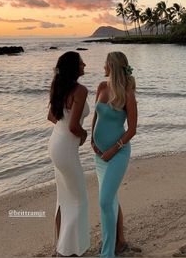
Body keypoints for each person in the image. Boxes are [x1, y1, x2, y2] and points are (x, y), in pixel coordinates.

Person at [91, 51, 138, 258]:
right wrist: (93, 140)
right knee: (109, 200)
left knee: (104, 201)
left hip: (117, 155)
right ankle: (117, 243)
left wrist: (113, 149)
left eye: (106, 63)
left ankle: (107, 253)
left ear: (113, 66)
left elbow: (132, 130)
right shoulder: (101, 87)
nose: (103, 66)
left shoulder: (127, 93)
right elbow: (96, 115)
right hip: (99, 155)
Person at [48, 51, 90, 257]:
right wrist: (83, 135)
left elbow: (51, 116)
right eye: (81, 63)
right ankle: (70, 250)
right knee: (79, 198)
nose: (85, 65)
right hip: (65, 146)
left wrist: (66, 132)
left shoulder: (56, 85)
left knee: (63, 196)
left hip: (55, 143)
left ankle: (62, 246)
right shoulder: (80, 90)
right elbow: (74, 126)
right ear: (74, 67)